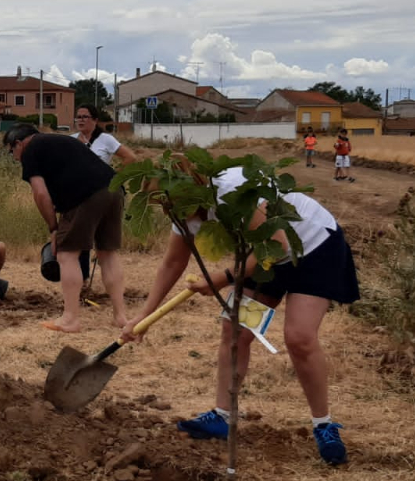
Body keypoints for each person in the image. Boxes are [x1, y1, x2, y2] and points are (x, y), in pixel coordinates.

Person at [121, 165, 359, 464]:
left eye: (172, 204)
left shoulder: (231, 190)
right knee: (235, 331)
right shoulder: (181, 212)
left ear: (191, 189)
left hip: (312, 247)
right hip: (262, 258)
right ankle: (222, 416)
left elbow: (277, 245)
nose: (170, 212)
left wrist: (222, 278)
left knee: (299, 337)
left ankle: (323, 424)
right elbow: (172, 263)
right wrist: (144, 316)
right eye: (163, 206)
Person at [3, 123, 128, 333]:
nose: (14, 157)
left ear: (18, 143)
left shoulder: (31, 149)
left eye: (11, 152)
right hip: (114, 189)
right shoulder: (61, 140)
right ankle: (121, 316)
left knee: (67, 255)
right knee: (108, 254)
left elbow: (40, 194)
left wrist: (54, 229)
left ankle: (70, 319)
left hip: (86, 196)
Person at [73, 106, 138, 167]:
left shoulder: (106, 139)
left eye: (85, 117)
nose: (81, 120)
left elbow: (131, 157)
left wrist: (115, 175)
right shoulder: (71, 139)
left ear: (95, 120)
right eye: (78, 117)